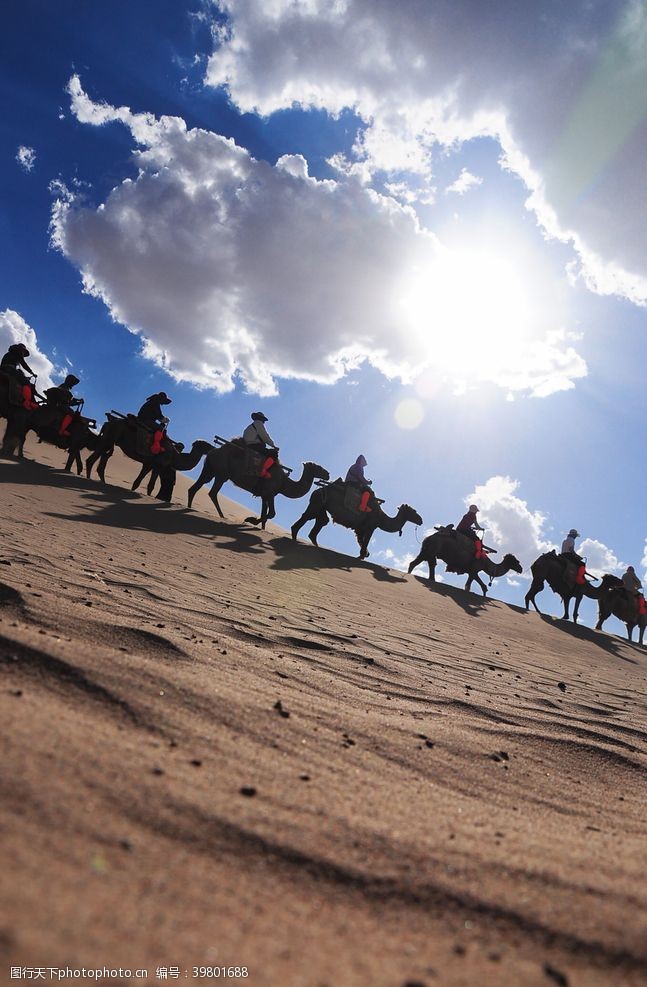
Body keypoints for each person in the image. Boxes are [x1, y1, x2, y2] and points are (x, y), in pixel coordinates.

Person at [243, 412, 278, 479]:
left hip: (248, 445)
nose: (264, 422)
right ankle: (263, 471)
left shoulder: (249, 427)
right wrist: (273, 445)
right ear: (261, 419)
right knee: (274, 454)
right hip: (255, 446)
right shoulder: (258, 424)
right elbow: (264, 436)